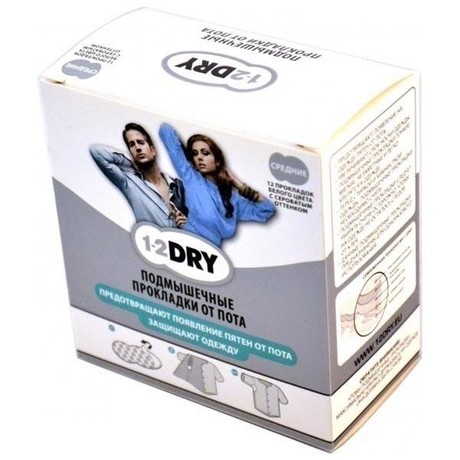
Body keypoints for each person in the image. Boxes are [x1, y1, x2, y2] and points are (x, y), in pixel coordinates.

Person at [159, 123, 276, 247]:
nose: (199, 157)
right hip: (184, 243)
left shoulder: (233, 199)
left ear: (218, 161)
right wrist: (186, 156)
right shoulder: (191, 176)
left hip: (211, 252)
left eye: (205, 153)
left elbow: (267, 209)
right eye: (195, 153)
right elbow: (166, 130)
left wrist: (238, 183)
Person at [89, 123, 188, 228]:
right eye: (132, 145)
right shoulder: (129, 183)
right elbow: (96, 151)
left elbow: (197, 222)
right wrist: (131, 161)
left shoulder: (178, 186)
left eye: (141, 142)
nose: (137, 148)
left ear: (153, 150)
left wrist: (188, 224)